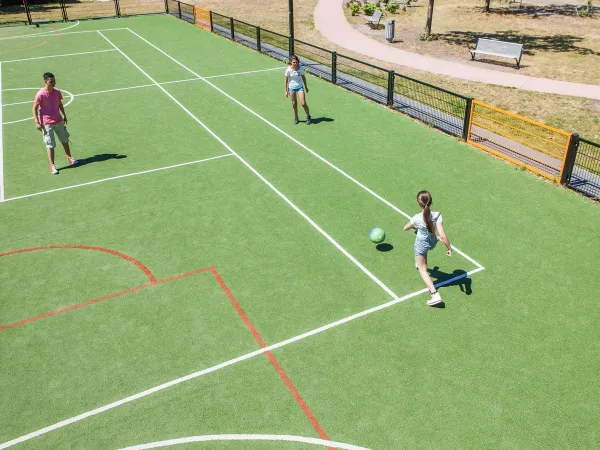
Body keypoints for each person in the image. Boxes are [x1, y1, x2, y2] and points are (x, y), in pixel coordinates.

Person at [403, 190, 452, 306]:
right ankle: (419, 262)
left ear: (418, 202)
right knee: (422, 257)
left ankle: (435, 294)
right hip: (433, 243)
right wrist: (449, 248)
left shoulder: (416, 218)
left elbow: (405, 228)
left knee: (422, 269)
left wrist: (417, 227)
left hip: (422, 244)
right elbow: (443, 235)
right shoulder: (437, 215)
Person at [32, 72, 78, 175]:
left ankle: (69, 157)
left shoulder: (57, 91)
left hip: (58, 120)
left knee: (64, 139)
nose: (53, 83)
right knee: (50, 144)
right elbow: (34, 108)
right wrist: (37, 122)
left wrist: (64, 115)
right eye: (51, 81)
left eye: (54, 81)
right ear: (45, 81)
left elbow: (60, 103)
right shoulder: (40, 94)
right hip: (46, 123)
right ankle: (52, 165)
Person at [284, 55, 312, 125]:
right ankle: (296, 117)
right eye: (294, 62)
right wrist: (286, 90)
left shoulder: (300, 68)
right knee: (294, 103)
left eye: (296, 62)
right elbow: (286, 80)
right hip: (291, 88)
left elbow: (303, 78)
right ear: (291, 62)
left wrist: (306, 87)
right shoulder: (288, 70)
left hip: (300, 87)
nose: (295, 64)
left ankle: (308, 116)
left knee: (303, 103)